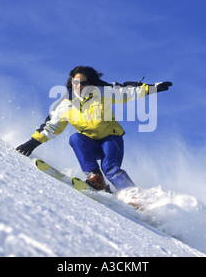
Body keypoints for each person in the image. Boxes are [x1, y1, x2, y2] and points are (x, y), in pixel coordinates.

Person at [16, 66, 172, 192]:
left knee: (110, 168)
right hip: (90, 143)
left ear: (90, 83)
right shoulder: (65, 105)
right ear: (71, 82)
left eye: (83, 83)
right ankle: (96, 178)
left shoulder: (101, 93)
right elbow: (51, 126)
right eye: (76, 82)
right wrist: (32, 143)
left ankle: (133, 196)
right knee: (75, 138)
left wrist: (152, 88)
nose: (79, 86)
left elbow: (127, 92)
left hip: (111, 139)